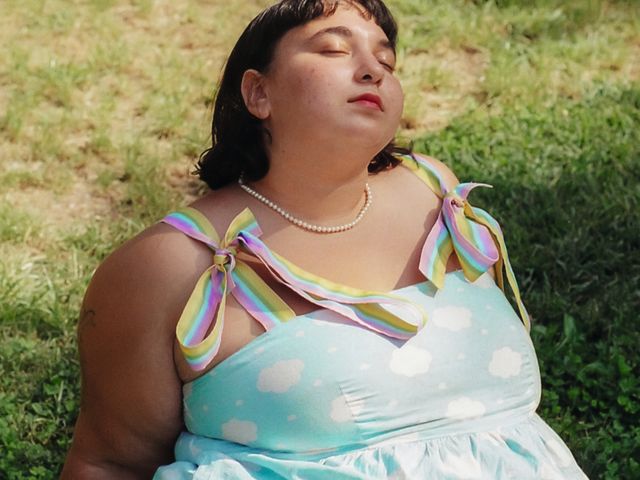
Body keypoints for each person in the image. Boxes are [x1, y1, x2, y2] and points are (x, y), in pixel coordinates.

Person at [62, 0, 588, 478]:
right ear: (258, 93)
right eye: (334, 49)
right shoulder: (172, 264)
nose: (372, 69)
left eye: (386, 60)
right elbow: (109, 463)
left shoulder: (435, 192)